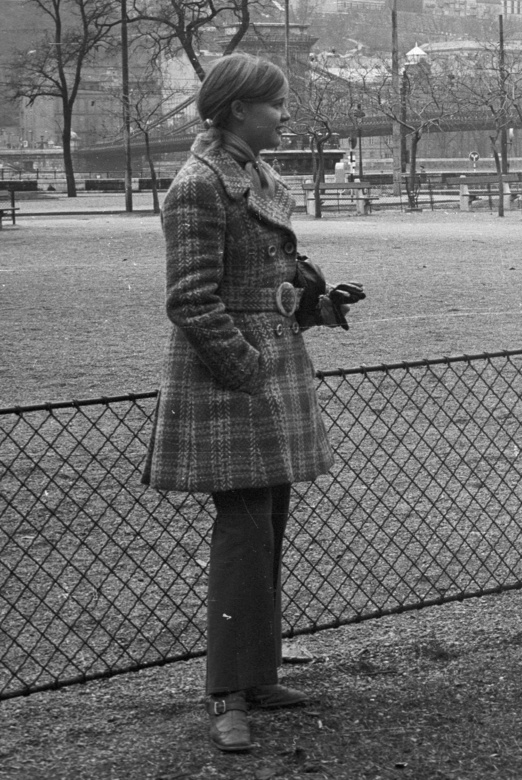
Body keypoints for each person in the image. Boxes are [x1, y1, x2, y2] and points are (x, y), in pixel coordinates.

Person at [143, 53, 366, 753]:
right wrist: (247, 367)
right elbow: (190, 299)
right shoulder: (198, 186)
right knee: (243, 536)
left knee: (267, 524)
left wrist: (317, 305)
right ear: (239, 109)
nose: (286, 115)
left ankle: (258, 675)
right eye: (276, 105)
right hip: (228, 384)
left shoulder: (255, 177)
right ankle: (227, 694)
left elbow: (268, 281)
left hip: (263, 376)